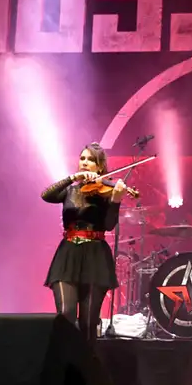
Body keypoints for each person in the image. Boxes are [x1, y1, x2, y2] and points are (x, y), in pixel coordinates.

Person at [42, 143, 128, 344]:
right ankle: (64, 359)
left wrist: (116, 200)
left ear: (100, 167)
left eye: (91, 159)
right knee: (66, 313)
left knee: (88, 322)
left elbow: (109, 225)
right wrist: (73, 177)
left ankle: (87, 362)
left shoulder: (106, 191)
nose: (85, 162)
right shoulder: (70, 190)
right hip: (68, 254)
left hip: (95, 255)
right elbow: (46, 195)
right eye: (82, 158)